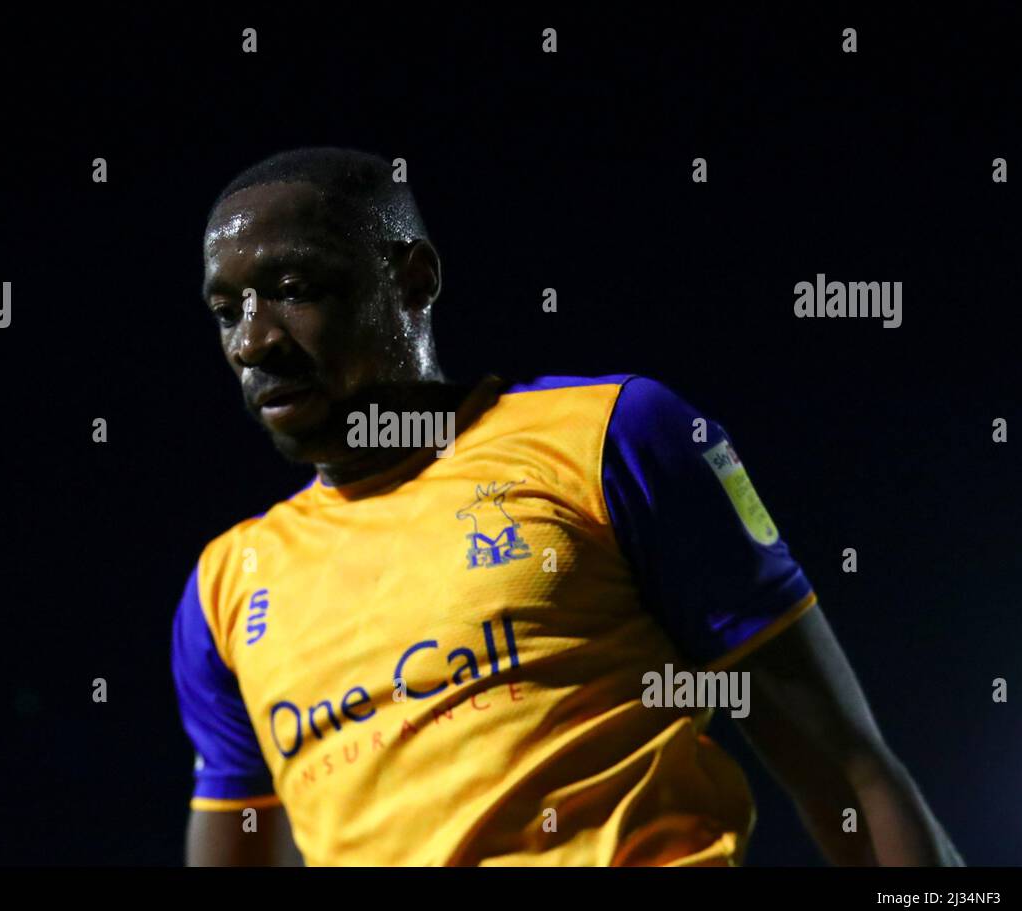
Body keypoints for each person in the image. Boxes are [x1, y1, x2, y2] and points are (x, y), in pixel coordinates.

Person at [171, 146, 963, 866]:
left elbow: (849, 773)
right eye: (225, 310)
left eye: (292, 290)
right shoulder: (225, 589)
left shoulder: (615, 437)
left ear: (413, 279)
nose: (253, 341)